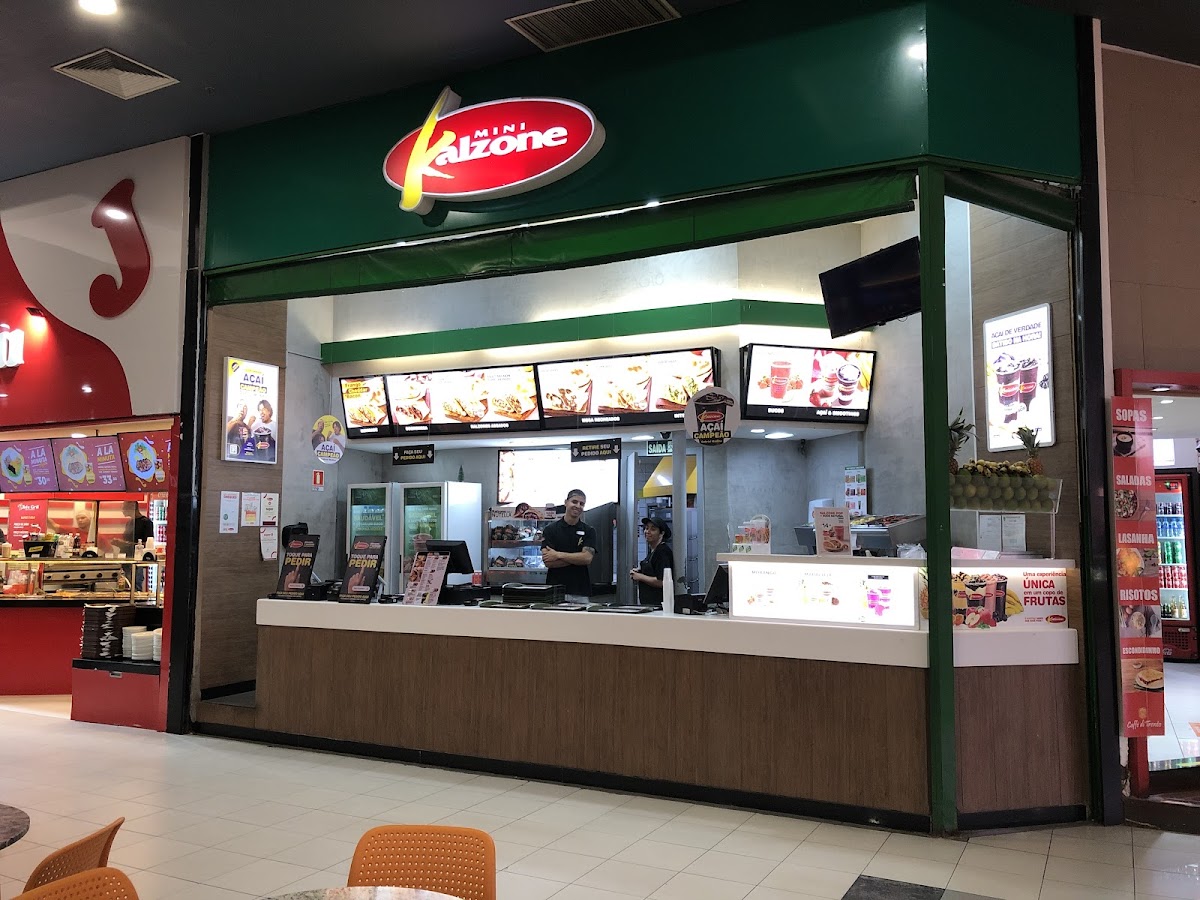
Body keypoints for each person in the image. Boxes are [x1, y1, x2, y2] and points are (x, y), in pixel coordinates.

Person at [540, 488, 597, 603]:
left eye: (582, 504)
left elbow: (587, 559)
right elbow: (548, 562)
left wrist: (558, 555)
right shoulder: (550, 530)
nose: (578, 506)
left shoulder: (589, 531)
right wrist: (577, 558)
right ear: (566, 502)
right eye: (574, 502)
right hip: (554, 591)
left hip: (580, 592)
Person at [630, 516, 675, 606]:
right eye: (646, 528)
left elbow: (662, 581)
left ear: (661, 534)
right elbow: (654, 570)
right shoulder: (653, 551)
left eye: (653, 529)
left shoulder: (662, 551)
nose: (648, 531)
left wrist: (640, 577)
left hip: (659, 605)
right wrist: (640, 571)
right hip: (649, 604)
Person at [114, 500, 155, 590]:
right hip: (126, 559)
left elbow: (147, 544)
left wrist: (125, 544)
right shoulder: (129, 523)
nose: (122, 510)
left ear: (132, 508)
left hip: (137, 560)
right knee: (126, 586)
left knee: (135, 586)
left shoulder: (146, 522)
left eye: (124, 508)